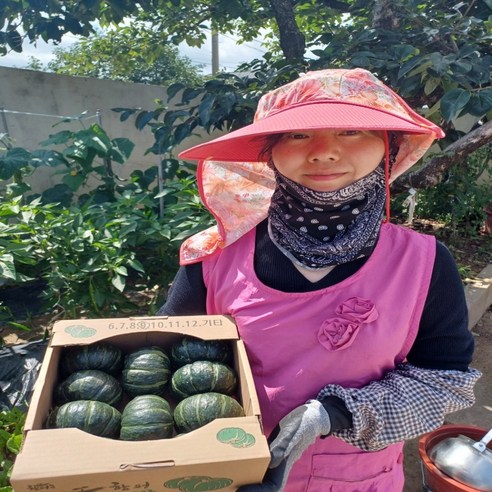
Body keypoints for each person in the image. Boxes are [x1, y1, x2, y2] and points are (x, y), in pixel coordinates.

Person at [157, 68, 480, 491]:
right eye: (297, 135)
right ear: (269, 152)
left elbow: (443, 380)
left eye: (351, 131)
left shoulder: (424, 263)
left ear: (388, 146)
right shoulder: (214, 258)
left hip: (357, 479)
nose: (324, 152)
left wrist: (334, 413)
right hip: (224, 470)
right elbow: (164, 351)